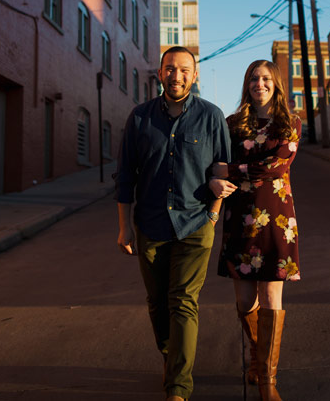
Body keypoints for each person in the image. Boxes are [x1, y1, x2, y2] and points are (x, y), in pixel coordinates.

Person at [116, 46, 234, 401]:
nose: (176, 75)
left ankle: (178, 387)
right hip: (150, 224)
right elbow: (125, 177)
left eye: (184, 70)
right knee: (157, 302)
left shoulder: (212, 117)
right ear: (160, 73)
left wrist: (213, 213)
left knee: (183, 301)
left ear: (194, 75)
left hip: (196, 224)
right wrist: (124, 227)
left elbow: (222, 170)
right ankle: (171, 356)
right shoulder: (139, 118)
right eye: (170, 69)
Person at [216, 59, 302, 401]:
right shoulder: (233, 124)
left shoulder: (289, 123)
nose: (260, 83)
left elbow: (275, 166)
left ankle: (268, 381)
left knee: (270, 297)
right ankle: (256, 355)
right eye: (254, 78)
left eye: (266, 78)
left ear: (276, 84)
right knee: (244, 300)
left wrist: (230, 169)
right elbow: (215, 160)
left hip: (277, 219)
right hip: (239, 216)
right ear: (247, 84)